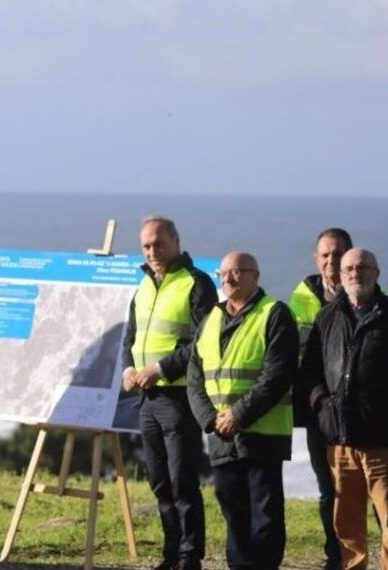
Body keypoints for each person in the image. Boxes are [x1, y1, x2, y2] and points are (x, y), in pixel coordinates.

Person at [301, 248, 388, 570]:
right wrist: (323, 404)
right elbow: (310, 372)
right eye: (348, 268)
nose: (354, 273)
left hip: (385, 441)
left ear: (377, 272)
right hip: (340, 440)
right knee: (347, 524)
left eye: (362, 267)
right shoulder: (328, 317)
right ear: (340, 274)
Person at [186, 251, 298, 570]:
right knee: (233, 513)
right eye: (223, 274)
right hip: (221, 436)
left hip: (262, 433)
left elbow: (277, 375)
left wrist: (239, 415)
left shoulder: (275, 314)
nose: (228, 279)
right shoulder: (211, 318)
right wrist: (210, 419)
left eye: (237, 272)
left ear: (255, 275)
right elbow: (195, 374)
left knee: (264, 517)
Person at [120, 216, 216, 570]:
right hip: (147, 400)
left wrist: (160, 369)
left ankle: (190, 557)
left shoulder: (197, 283)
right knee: (160, 482)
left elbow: (203, 342)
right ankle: (170, 553)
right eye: (146, 246)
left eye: (159, 244)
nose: (153, 252)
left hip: (179, 397)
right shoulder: (142, 286)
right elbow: (131, 338)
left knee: (182, 480)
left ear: (176, 241)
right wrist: (130, 371)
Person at [287, 227, 353, 570]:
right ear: (316, 259)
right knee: (328, 490)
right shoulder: (298, 300)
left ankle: (363, 556)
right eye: (326, 254)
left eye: (339, 253)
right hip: (318, 412)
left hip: (359, 414)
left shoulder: (371, 294)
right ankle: (335, 556)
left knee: (366, 491)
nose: (332, 260)